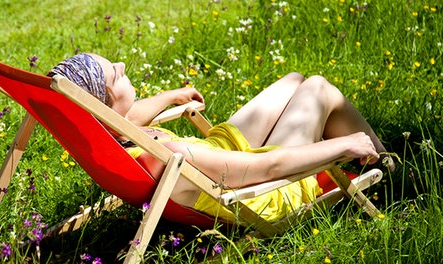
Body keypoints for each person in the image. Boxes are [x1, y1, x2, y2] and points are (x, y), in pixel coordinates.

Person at [48, 53, 394, 224]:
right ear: (103, 103)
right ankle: (385, 167)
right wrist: (341, 146)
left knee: (293, 80)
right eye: (115, 73)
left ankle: (381, 159)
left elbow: (127, 113)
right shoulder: (169, 155)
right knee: (317, 88)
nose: (121, 65)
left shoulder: (111, 135)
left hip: (220, 156)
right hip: (262, 189)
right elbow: (267, 165)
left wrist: (171, 95)